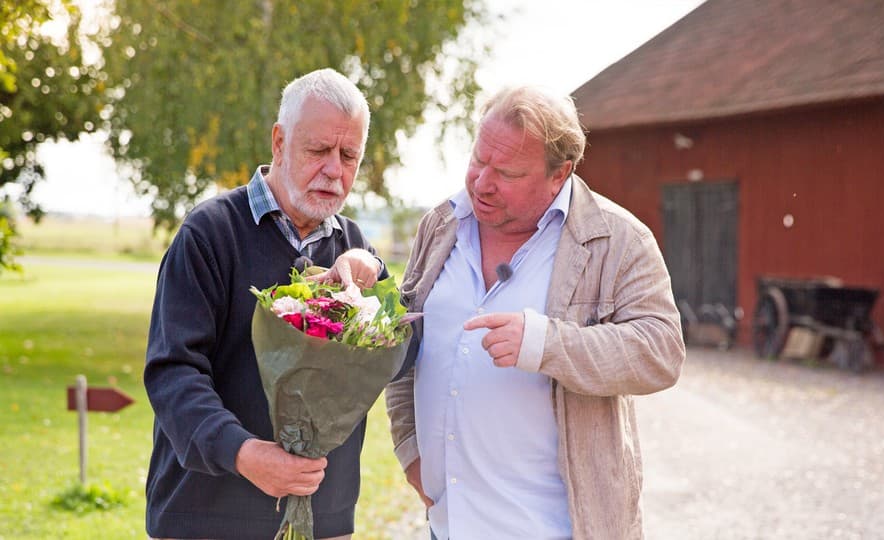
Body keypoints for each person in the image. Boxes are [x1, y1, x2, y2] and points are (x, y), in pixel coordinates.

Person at [385, 86, 685, 540]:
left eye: (507, 172)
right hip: (448, 527)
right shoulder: (440, 223)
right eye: (479, 159)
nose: (482, 182)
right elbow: (402, 342)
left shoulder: (620, 239)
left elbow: (662, 352)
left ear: (559, 174)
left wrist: (547, 344)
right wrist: (410, 447)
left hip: (555, 528)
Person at [144, 68, 387, 540]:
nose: (334, 170)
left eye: (349, 156)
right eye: (318, 150)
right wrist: (243, 453)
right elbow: (173, 372)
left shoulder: (354, 245)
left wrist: (374, 276)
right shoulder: (209, 233)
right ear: (279, 142)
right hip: (206, 519)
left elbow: (401, 353)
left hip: (322, 522)